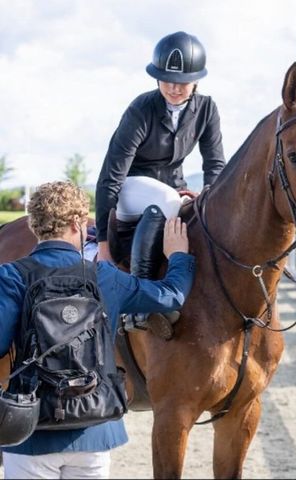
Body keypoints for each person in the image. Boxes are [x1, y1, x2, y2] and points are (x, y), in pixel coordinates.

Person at [0, 181, 195, 479]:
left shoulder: (11, 276)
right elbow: (172, 295)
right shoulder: (103, 276)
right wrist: (178, 255)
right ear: (78, 224)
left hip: (30, 432)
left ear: (34, 225)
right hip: (94, 427)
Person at [95, 31, 225, 335]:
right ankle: (140, 307)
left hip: (174, 188)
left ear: (196, 81)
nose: (173, 88)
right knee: (169, 201)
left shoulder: (207, 109)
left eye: (181, 82)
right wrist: (103, 244)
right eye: (166, 79)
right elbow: (111, 174)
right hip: (131, 186)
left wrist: (212, 201)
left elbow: (215, 165)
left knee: (192, 208)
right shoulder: (141, 109)